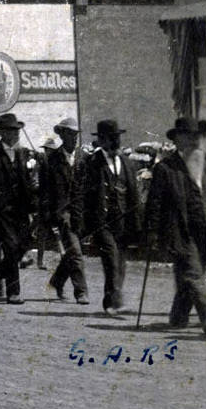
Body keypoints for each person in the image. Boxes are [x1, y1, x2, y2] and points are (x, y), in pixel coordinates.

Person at [143, 117, 206, 334]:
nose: (193, 141)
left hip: (203, 232)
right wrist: (151, 232)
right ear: (178, 140)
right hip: (179, 230)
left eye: (195, 137)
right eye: (187, 137)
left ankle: (178, 317)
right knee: (192, 273)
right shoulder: (165, 168)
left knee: (187, 274)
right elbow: (155, 203)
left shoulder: (204, 167)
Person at [0, 112, 38, 304]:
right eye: (12, 131)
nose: (16, 134)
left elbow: (29, 182)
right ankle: (14, 292)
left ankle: (0, 270)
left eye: (17, 131)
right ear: (3, 133)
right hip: (1, 210)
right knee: (11, 247)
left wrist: (34, 205)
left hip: (21, 209)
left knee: (23, 245)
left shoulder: (24, 153)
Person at [82, 119, 140, 314]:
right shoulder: (92, 164)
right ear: (102, 141)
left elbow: (133, 195)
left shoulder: (127, 163)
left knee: (120, 263)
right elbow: (86, 195)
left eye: (117, 138)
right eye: (112, 139)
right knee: (110, 257)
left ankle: (111, 299)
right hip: (102, 222)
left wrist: (137, 223)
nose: (116, 143)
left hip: (122, 222)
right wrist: (87, 223)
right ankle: (115, 299)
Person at [43, 117, 88, 303]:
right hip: (62, 214)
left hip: (81, 213)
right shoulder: (51, 160)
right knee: (76, 252)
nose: (74, 138)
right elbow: (46, 191)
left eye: (76, 134)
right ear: (62, 135)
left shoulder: (84, 159)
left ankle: (57, 281)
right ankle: (81, 292)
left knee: (72, 252)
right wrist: (49, 214)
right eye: (70, 134)